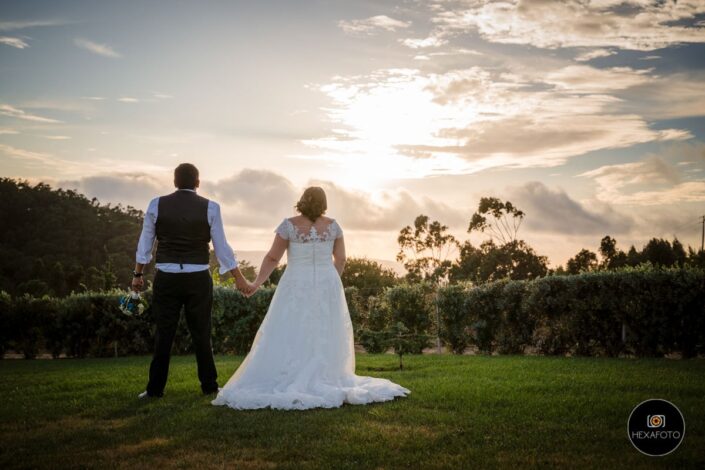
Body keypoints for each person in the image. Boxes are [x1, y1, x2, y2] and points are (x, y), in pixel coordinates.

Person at [212, 186, 410, 410]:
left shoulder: (289, 225)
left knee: (290, 327)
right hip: (328, 284)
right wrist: (331, 282)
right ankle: (326, 375)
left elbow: (272, 258)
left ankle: (287, 373)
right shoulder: (333, 226)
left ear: (302, 201)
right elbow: (341, 259)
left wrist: (255, 283)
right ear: (324, 203)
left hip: (295, 283)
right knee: (325, 329)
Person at [132, 163, 253, 398]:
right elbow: (222, 248)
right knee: (201, 333)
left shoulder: (156, 204)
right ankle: (209, 386)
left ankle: (154, 389)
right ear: (198, 183)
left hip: (166, 277)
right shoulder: (211, 207)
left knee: (164, 334)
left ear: (175, 182)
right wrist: (238, 278)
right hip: (198, 278)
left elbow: (145, 244)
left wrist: (137, 275)